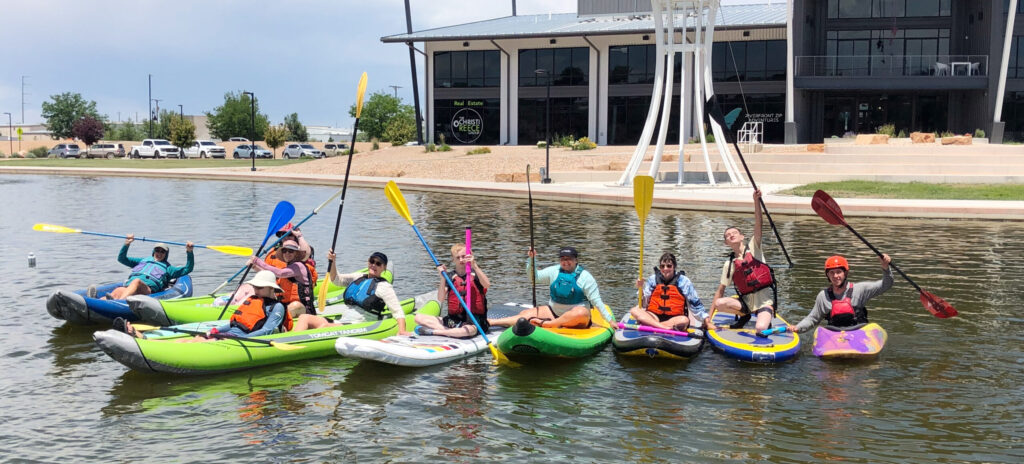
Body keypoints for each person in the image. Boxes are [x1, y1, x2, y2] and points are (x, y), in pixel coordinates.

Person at [115, 270, 290, 342]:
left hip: (243, 339)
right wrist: (215, 330)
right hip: (232, 333)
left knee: (197, 342)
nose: (256, 289)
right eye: (255, 286)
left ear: (270, 288)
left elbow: (267, 331)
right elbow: (234, 322)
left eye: (260, 287)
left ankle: (142, 340)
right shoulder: (252, 300)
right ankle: (142, 338)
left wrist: (240, 340)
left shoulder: (277, 307)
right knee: (199, 338)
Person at [488, 246, 614, 329]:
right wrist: (532, 260)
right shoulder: (554, 271)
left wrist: (610, 321)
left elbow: (596, 301)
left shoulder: (586, 277)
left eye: (569, 259)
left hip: (577, 318)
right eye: (563, 259)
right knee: (525, 314)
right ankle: (491, 322)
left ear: (576, 260)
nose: (566, 262)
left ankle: (549, 325)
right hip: (554, 312)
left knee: (581, 313)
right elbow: (534, 278)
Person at [291, 250, 411, 335]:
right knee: (304, 317)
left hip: (360, 324)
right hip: (344, 321)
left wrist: (402, 330)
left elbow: (398, 311)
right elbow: (336, 279)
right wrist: (333, 262)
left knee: (324, 327)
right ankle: (291, 341)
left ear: (384, 268)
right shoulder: (358, 277)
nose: (374, 265)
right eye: (372, 261)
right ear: (368, 262)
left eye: (378, 264)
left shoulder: (384, 286)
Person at [710, 189, 777, 333]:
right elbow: (720, 290)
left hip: (764, 302)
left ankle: (765, 316)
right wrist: (708, 321)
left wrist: (756, 201)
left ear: (742, 236)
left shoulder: (754, 248)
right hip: (745, 304)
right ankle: (745, 315)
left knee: (760, 328)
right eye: (728, 235)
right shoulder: (729, 264)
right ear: (726, 243)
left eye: (734, 233)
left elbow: (759, 224)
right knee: (719, 303)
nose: (731, 235)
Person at [788, 254, 893, 334]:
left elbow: (886, 285)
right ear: (827, 275)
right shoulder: (823, 296)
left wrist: (885, 268)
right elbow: (813, 318)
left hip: (859, 333)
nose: (835, 276)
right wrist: (797, 327)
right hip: (835, 335)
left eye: (838, 272)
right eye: (831, 273)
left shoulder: (860, 289)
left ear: (845, 273)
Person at [414, 244, 490, 338]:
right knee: (418, 318)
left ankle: (437, 332)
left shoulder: (475, 274)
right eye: (458, 258)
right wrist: (442, 278)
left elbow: (487, 284)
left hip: (474, 322)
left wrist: (475, 265)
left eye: (464, 257)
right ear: (453, 259)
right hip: (454, 321)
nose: (461, 260)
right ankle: (452, 332)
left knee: (468, 330)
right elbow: (441, 298)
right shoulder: (449, 276)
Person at [629, 252, 712, 331]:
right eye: (662, 266)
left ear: (674, 267)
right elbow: (643, 304)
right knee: (634, 310)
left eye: (669, 266)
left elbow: (695, 304)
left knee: (684, 320)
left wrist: (706, 321)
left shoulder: (684, 281)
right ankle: (662, 327)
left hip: (674, 318)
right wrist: (640, 289)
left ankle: (654, 325)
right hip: (654, 316)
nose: (665, 269)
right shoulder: (652, 280)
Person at [100, 234, 194, 300]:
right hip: (130, 287)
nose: (159, 253)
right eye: (157, 250)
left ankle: (118, 303)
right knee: (117, 291)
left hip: (147, 290)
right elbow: (121, 259)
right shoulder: (143, 260)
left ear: (166, 254)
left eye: (162, 251)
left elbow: (188, 268)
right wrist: (127, 244)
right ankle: (92, 304)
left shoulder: (168, 268)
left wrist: (189, 252)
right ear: (154, 251)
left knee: (136, 282)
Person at [249, 239, 318, 318]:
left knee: (295, 305)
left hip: (304, 308)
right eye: (284, 251)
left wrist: (258, 261)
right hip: (286, 304)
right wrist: (254, 266)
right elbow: (272, 276)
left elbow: (280, 273)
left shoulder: (298, 266)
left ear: (296, 254)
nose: (287, 253)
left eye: (291, 251)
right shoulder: (288, 267)